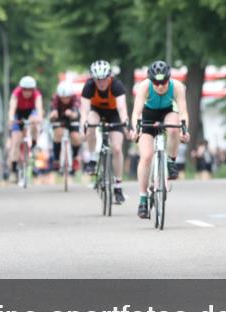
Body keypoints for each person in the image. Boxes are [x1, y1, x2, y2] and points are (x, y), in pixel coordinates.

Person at [131, 60, 190, 219]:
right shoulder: (144, 86)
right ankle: (143, 198)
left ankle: (171, 161)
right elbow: (136, 112)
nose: (160, 86)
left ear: (169, 79)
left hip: (167, 112)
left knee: (173, 128)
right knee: (146, 156)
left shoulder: (177, 86)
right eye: (156, 83)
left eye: (163, 82)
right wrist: (135, 129)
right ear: (151, 81)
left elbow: (183, 112)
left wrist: (185, 129)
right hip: (148, 116)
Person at [81, 60, 130, 204]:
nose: (101, 83)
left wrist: (125, 124)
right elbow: (84, 109)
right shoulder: (89, 86)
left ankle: (118, 186)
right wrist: (84, 123)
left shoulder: (116, 85)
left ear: (109, 77)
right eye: (97, 80)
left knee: (116, 148)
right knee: (91, 123)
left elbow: (122, 108)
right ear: (93, 79)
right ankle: (93, 158)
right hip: (96, 111)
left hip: (114, 113)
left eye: (104, 79)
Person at [7, 75, 44, 180]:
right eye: (25, 90)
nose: (27, 92)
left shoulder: (37, 95)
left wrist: (39, 118)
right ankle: (14, 169)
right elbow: (12, 108)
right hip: (18, 114)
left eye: (30, 90)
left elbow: (39, 108)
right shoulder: (16, 93)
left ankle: (34, 142)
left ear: (33, 89)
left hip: (31, 112)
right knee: (16, 140)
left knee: (34, 120)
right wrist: (10, 118)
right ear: (21, 89)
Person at [50, 81, 83, 176]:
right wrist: (53, 114)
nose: (65, 100)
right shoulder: (55, 98)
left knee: (76, 137)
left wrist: (72, 114)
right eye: (62, 98)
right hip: (59, 117)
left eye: (67, 98)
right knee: (58, 133)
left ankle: (75, 157)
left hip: (72, 118)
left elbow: (77, 112)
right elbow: (53, 110)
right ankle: (56, 158)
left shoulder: (75, 99)